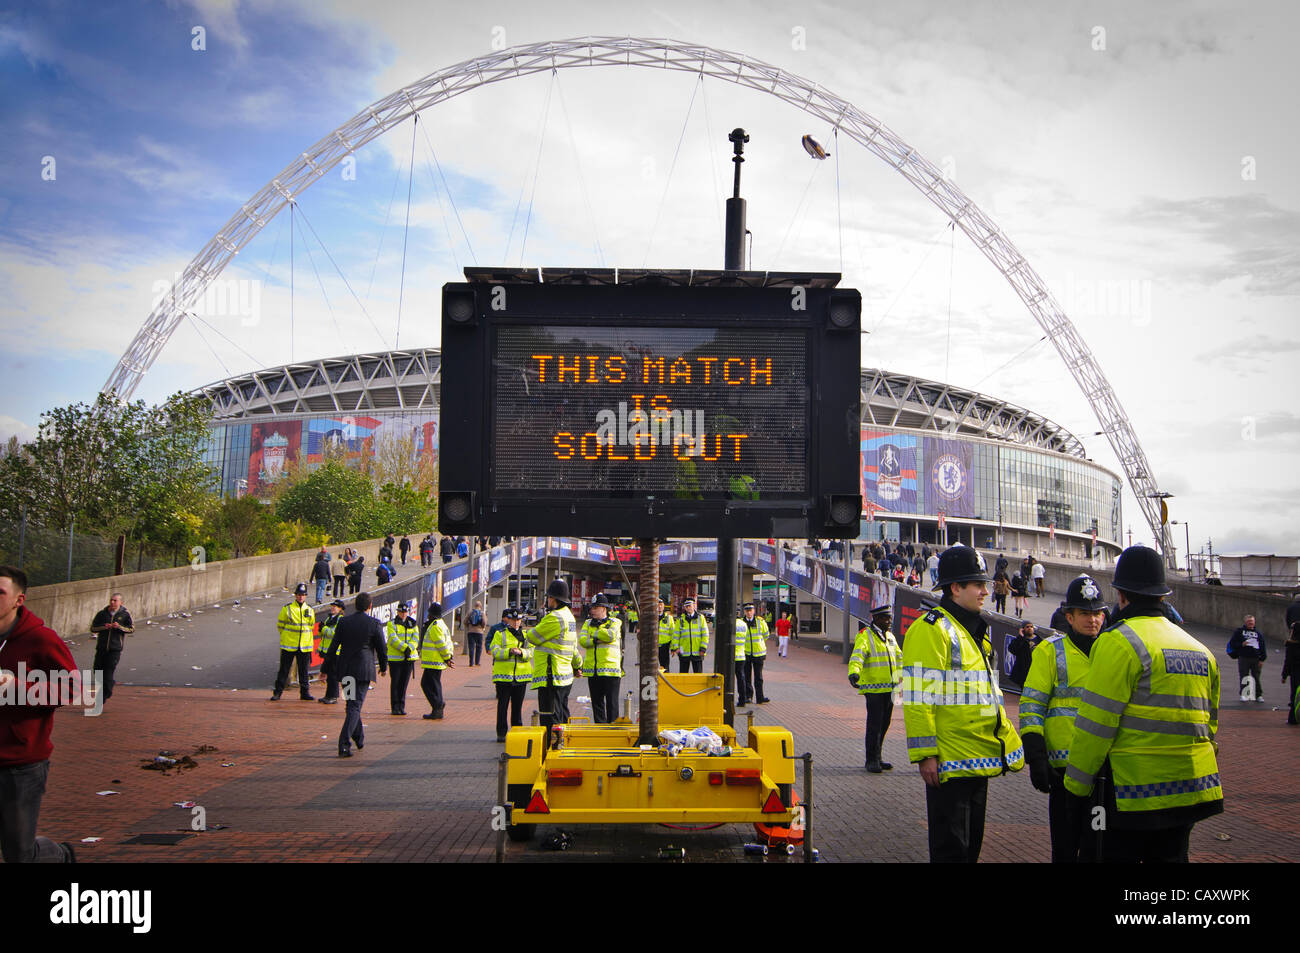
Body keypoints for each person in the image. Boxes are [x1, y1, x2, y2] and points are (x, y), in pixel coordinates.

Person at [1063, 546, 1223, 863]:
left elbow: (1096, 725)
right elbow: (1210, 725)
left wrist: (1076, 787)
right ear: (1162, 595)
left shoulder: (1118, 642)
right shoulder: (1199, 649)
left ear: (1121, 594)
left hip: (1134, 793)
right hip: (1190, 788)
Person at [900, 546, 1024, 863]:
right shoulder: (931, 629)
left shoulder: (972, 631)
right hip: (949, 763)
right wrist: (926, 754)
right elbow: (918, 698)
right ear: (956, 588)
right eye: (977, 585)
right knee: (951, 851)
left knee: (970, 850)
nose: (986, 591)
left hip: (978, 758)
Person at [1020, 575, 1107, 862]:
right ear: (1069, 616)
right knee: (1065, 849)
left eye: (1097, 613)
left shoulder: (1114, 651)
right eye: (1085, 613)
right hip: (1063, 773)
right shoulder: (1049, 650)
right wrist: (1036, 757)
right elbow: (1033, 704)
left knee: (1098, 848)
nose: (1092, 620)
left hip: (1104, 773)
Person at [0, 565, 77, 862]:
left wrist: (17, 686)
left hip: (22, 763)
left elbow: (72, 689)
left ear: (19, 600)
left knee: (18, 852)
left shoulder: (41, 639)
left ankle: (58, 855)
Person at [324, 591, 387, 757]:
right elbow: (381, 648)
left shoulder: (344, 622)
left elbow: (333, 646)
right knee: (355, 705)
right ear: (370, 606)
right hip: (363, 671)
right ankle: (344, 743)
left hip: (346, 671)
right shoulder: (374, 623)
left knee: (351, 705)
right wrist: (384, 666)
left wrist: (325, 668)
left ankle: (358, 737)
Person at [848, 604, 901, 773]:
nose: (889, 621)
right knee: (874, 725)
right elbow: (858, 655)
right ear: (876, 619)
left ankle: (878, 757)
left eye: (890, 618)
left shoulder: (890, 637)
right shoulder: (865, 636)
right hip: (874, 689)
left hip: (890, 688)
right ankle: (870, 760)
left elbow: (899, 658)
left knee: (885, 724)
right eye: (886, 618)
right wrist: (854, 672)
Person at [526, 578, 580, 731]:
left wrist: (534, 633)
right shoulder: (569, 617)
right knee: (561, 715)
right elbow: (573, 646)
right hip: (564, 675)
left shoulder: (554, 618)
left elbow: (532, 636)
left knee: (550, 718)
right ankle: (562, 746)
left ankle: (553, 748)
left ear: (554, 599)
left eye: (549, 597)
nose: (548, 600)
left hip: (551, 675)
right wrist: (577, 665)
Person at [488, 607, 532, 741]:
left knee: (517, 707)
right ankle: (501, 733)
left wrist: (522, 652)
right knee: (502, 706)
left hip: (521, 677)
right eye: (513, 620)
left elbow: (531, 652)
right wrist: (508, 652)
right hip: (504, 677)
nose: (516, 623)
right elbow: (494, 650)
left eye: (518, 620)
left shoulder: (526, 635)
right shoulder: (500, 634)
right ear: (508, 620)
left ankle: (516, 731)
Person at [578, 594, 623, 724]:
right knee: (597, 704)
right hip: (593, 670)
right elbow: (582, 641)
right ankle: (600, 729)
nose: (592, 611)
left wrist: (593, 634)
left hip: (611, 670)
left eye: (595, 608)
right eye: (591, 608)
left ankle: (614, 732)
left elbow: (610, 636)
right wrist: (597, 639)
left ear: (604, 608)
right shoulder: (587, 623)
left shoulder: (615, 622)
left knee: (612, 704)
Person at [271, 583, 315, 701]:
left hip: (304, 645)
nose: (301, 597)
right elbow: (280, 625)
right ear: (295, 595)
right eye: (299, 595)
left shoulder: (310, 610)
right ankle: (277, 692)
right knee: (284, 670)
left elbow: (310, 626)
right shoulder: (287, 608)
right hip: (289, 644)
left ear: (305, 596)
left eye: (303, 595)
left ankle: (305, 693)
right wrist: (287, 636)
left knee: (303, 671)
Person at [88, 592, 133, 704]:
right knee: (97, 670)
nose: (112, 602)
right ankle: (108, 686)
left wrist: (119, 627)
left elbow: (131, 629)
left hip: (115, 649)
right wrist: (104, 627)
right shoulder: (102, 614)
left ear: (120, 602)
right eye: (111, 600)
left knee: (108, 672)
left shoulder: (125, 614)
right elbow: (93, 628)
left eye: (115, 600)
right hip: (102, 648)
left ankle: (103, 695)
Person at [419, 602, 455, 720]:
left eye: (429, 613)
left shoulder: (434, 626)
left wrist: (447, 657)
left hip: (433, 661)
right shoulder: (442, 624)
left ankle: (437, 705)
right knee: (434, 684)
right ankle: (437, 706)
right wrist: (449, 657)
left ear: (432, 614)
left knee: (427, 684)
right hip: (437, 661)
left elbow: (441, 644)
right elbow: (448, 642)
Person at [385, 601, 419, 715]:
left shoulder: (412, 623)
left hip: (408, 659)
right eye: (401, 612)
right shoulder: (392, 624)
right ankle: (395, 706)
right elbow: (393, 639)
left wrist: (410, 648)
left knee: (404, 684)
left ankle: (401, 706)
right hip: (396, 659)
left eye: (405, 612)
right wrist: (405, 648)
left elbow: (416, 638)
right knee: (395, 683)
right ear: (397, 612)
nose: (403, 614)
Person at [1226, 615, 1267, 702]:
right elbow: (1233, 643)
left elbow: (1263, 646)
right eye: (1249, 621)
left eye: (1252, 621)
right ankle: (1244, 694)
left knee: (1256, 677)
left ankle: (1258, 695)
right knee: (1244, 676)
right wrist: (1241, 644)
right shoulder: (1239, 632)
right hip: (1243, 657)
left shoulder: (1258, 633)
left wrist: (1262, 659)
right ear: (1245, 622)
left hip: (1256, 658)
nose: (1251, 623)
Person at [317, 599, 345, 704]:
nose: (333, 608)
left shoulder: (340, 619)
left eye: (336, 607)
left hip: (335, 652)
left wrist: (323, 628)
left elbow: (334, 634)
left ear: (340, 609)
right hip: (328, 651)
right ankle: (328, 695)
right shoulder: (330, 618)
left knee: (333, 675)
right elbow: (324, 635)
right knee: (329, 674)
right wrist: (321, 630)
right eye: (332, 606)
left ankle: (333, 696)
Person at [741, 602, 770, 703]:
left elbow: (766, 635)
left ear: (753, 611)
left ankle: (760, 697)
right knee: (746, 676)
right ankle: (748, 697)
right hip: (746, 653)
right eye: (747, 611)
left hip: (759, 653)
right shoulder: (741, 622)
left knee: (759, 677)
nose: (749, 613)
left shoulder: (760, 622)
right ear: (744, 612)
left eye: (750, 610)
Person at [674, 597, 709, 674]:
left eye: (690, 605)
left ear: (694, 606)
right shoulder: (680, 619)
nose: (688, 608)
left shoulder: (701, 618)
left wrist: (703, 648)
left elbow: (705, 634)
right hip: (684, 652)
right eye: (686, 606)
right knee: (683, 677)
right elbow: (676, 635)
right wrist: (676, 648)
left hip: (697, 652)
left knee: (698, 676)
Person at [1285, 596, 1300, 725]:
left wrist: (1284, 675)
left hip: (1295, 672)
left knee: (1294, 693)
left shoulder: (1291, 645)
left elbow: (1288, 661)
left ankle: (1293, 718)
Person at [1007, 622, 1036, 687]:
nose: (1029, 628)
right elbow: (1013, 649)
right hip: (1024, 672)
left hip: (1035, 670)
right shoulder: (1020, 640)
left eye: (1031, 627)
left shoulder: (1039, 639)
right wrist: (1021, 637)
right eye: (1027, 627)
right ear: (1023, 629)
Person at [733, 607, 750, 706]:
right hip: (741, 655)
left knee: (728, 679)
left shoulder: (730, 623)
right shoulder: (744, 624)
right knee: (741, 678)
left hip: (731, 656)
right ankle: (742, 699)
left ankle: (727, 699)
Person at [655, 599, 676, 671]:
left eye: (661, 605)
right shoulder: (651, 617)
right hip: (653, 646)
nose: (659, 606)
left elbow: (673, 633)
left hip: (664, 646)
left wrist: (673, 648)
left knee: (665, 668)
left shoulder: (669, 618)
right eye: (658, 605)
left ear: (664, 607)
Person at [465, 600, 487, 667]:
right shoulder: (482, 613)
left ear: (475, 605)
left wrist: (468, 626)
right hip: (479, 632)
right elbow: (484, 622)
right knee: (479, 647)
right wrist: (482, 628)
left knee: (471, 647)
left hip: (470, 632)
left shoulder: (470, 612)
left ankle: (471, 662)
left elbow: (465, 621)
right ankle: (477, 662)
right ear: (480, 606)